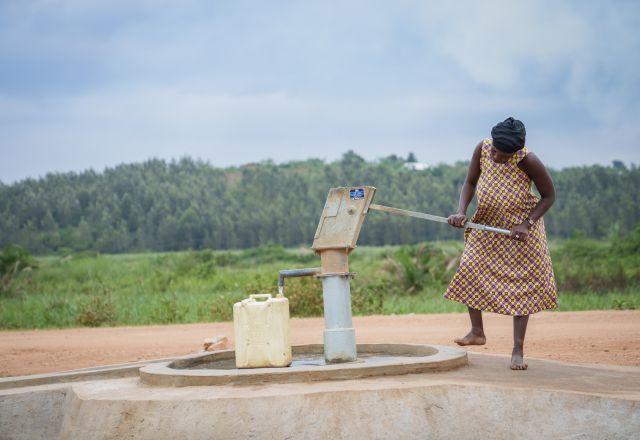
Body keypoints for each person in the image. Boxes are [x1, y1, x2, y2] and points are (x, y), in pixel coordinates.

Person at [444, 117, 557, 370]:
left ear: (515, 152)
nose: (496, 157)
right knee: (470, 269)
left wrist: (527, 223)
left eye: (503, 155)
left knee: (522, 285)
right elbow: (470, 182)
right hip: (486, 224)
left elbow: (549, 196)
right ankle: (476, 331)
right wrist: (461, 211)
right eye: (495, 150)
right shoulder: (482, 148)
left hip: (521, 231)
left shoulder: (528, 160)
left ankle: (518, 350)